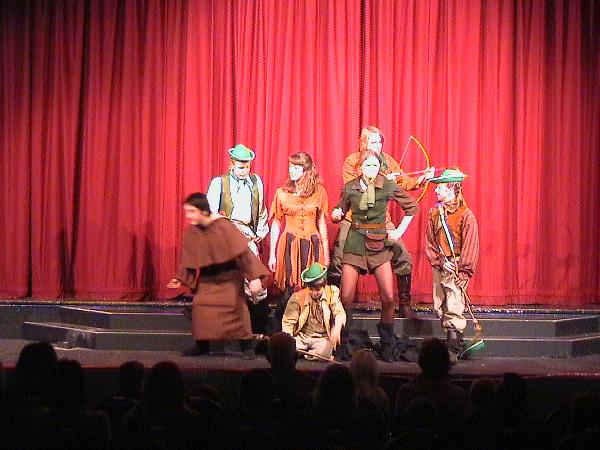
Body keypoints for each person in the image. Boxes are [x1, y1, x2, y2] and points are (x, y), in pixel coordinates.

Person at [329, 126, 434, 319]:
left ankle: (404, 304)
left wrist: (421, 179)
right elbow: (352, 187)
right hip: (354, 219)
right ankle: (335, 308)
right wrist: (383, 179)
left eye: (379, 142)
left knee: (403, 256)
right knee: (338, 257)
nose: (377, 146)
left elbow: (404, 182)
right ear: (364, 143)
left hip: (381, 221)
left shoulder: (387, 161)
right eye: (373, 142)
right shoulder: (353, 161)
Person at [331, 152, 419, 362]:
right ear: (360, 168)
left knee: (388, 298)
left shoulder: (387, 185)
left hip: (379, 244)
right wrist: (337, 213)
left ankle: (387, 343)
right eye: (368, 165)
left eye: (375, 165)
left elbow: (412, 207)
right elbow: (341, 208)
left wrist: (398, 231)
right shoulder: (351, 187)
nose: (372, 169)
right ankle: (342, 342)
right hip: (355, 243)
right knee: (345, 297)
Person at [167, 193, 270, 359]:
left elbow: (243, 254)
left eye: (192, 212)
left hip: (230, 278)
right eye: (187, 212)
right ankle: (202, 346)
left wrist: (254, 277)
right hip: (207, 280)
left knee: (237, 310)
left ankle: (246, 348)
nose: (189, 216)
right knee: (200, 307)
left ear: (203, 211)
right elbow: (190, 259)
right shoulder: (192, 232)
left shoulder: (224, 226)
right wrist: (180, 278)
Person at [206, 144, 270, 334]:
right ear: (232, 164)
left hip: (248, 236)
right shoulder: (219, 183)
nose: (244, 171)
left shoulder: (256, 182)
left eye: (247, 167)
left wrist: (260, 231)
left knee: (256, 287)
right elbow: (210, 214)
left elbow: (261, 209)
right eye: (241, 167)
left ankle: (256, 332)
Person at [269, 152, 330, 330]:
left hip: (312, 244)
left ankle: (308, 330)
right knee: (289, 289)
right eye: (290, 167)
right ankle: (279, 332)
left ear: (307, 170)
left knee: (312, 287)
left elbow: (321, 223)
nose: (292, 170)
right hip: (289, 244)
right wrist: (272, 254)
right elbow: (276, 223)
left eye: (296, 167)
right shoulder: (282, 193)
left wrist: (326, 254)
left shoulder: (319, 192)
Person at [425, 168, 480, 363]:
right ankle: (458, 341)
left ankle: (453, 347)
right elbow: (430, 241)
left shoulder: (466, 215)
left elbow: (471, 245)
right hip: (441, 265)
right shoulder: (434, 213)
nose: (436, 190)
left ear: (451, 189)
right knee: (440, 305)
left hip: (457, 266)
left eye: (440, 187)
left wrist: (463, 271)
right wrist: (440, 262)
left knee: (454, 305)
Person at [281, 262, 346, 360]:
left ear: (324, 285)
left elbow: (339, 313)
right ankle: (306, 353)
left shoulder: (331, 293)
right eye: (311, 289)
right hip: (303, 337)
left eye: (318, 290)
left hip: (322, 338)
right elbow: (288, 321)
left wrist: (336, 329)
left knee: (324, 354)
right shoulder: (298, 297)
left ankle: (309, 354)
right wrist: (288, 340)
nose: (314, 293)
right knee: (289, 349)